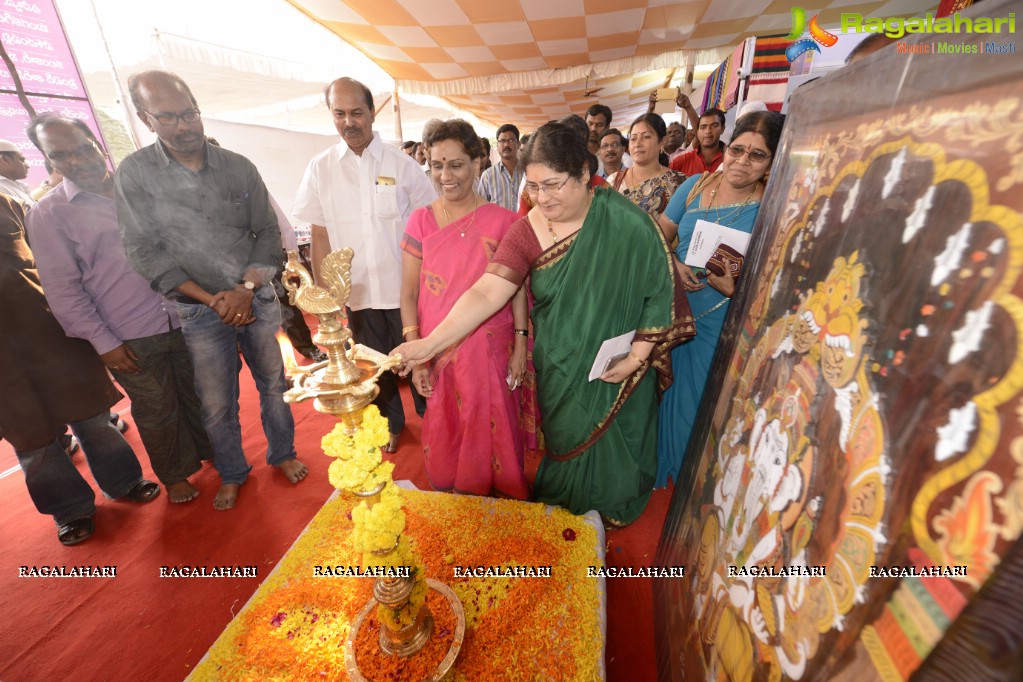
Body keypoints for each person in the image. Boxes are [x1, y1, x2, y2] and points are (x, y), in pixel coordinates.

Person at [394, 121, 694, 527]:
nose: (542, 198)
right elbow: (487, 292)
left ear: (585, 175)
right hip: (561, 360)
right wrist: (427, 345)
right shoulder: (526, 230)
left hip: (621, 363)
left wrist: (638, 356)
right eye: (533, 187)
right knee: (565, 443)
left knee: (619, 452)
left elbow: (660, 285)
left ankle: (614, 502)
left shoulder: (625, 221)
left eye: (553, 185)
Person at [116, 70, 307, 511]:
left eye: (190, 113)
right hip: (200, 313)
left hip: (256, 297)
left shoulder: (238, 166)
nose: (184, 126)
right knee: (217, 403)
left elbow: (265, 234)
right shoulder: (136, 174)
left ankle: (284, 454)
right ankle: (234, 473)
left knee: (275, 385)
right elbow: (143, 249)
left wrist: (243, 289)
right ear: (147, 120)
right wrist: (211, 299)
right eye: (169, 118)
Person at [26, 113, 211, 504]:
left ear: (96, 143)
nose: (78, 161)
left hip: (187, 313)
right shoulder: (49, 214)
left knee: (200, 394)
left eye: (82, 148)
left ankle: (212, 452)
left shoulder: (140, 188)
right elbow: (63, 290)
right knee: (156, 408)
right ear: (49, 161)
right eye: (62, 156)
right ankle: (175, 476)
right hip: (129, 334)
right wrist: (102, 341)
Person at [0, 194, 161, 545]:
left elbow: (54, 263)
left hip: (52, 335)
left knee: (92, 417)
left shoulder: (7, 204)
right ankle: (70, 509)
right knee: (32, 441)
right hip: (3, 367)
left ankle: (123, 482)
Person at [293, 77, 436, 452]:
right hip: (357, 293)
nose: (349, 122)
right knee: (373, 368)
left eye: (356, 112)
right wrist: (326, 298)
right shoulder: (320, 168)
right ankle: (392, 425)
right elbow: (320, 235)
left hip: (406, 291)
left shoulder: (402, 166)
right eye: (339, 114)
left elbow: (429, 230)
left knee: (419, 358)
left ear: (373, 113)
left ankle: (433, 422)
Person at [399, 119, 529, 499]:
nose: (445, 175)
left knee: (493, 425)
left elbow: (515, 289)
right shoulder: (420, 220)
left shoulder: (506, 222)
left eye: (455, 164)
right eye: (436, 165)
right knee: (448, 426)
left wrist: (521, 343)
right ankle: (457, 505)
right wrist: (418, 353)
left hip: (490, 348)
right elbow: (408, 293)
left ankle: (498, 504)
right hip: (437, 348)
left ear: (477, 164)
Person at [656, 111, 785, 488]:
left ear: (773, 163)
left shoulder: (773, 207)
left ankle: (690, 488)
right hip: (679, 313)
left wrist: (737, 291)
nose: (743, 162)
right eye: (739, 150)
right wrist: (673, 263)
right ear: (726, 149)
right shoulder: (694, 186)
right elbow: (658, 236)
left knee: (702, 405)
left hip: (727, 321)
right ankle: (663, 473)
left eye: (757, 156)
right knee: (669, 394)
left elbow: (774, 282)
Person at [607, 113, 686, 243]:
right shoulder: (614, 181)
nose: (637, 143)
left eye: (646, 137)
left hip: (660, 259)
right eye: (633, 139)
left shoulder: (679, 183)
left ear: (662, 141)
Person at [479, 123, 524, 212]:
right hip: (497, 226)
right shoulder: (488, 176)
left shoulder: (527, 172)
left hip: (524, 225)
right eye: (502, 141)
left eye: (511, 140)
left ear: (518, 144)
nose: (506, 145)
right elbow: (481, 210)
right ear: (497, 145)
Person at [670, 108, 727, 177]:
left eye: (714, 126)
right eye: (703, 127)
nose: (708, 131)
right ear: (697, 131)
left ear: (722, 129)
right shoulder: (680, 162)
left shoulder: (732, 160)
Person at [0, 140, 35, 207]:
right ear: (4, 159)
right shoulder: (2, 189)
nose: (28, 166)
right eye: (21, 160)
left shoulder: (13, 185)